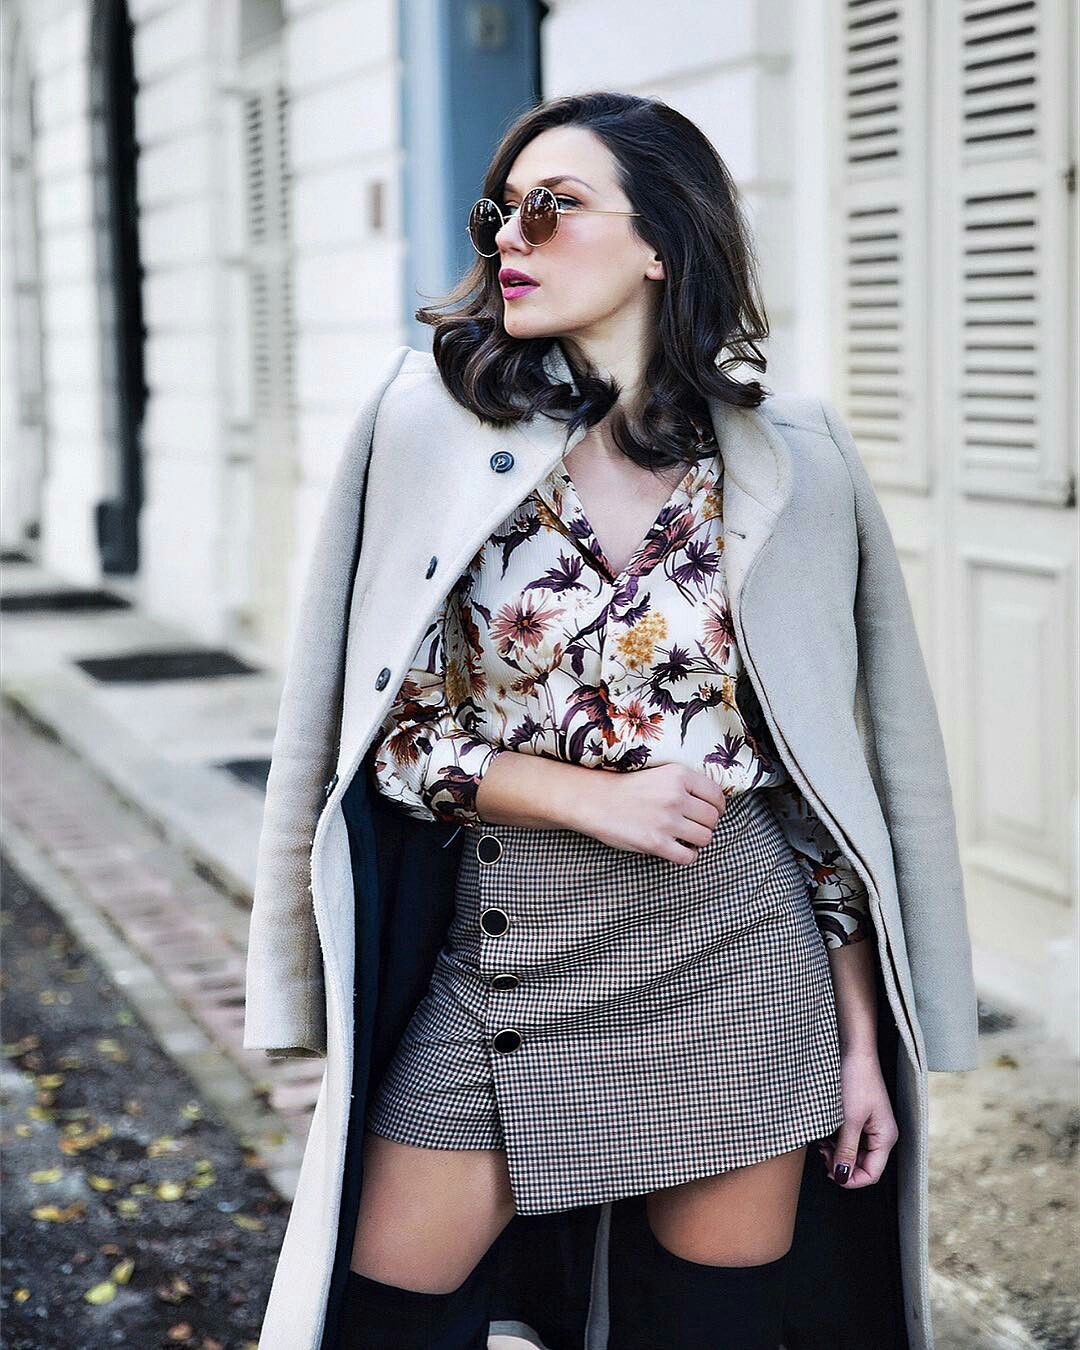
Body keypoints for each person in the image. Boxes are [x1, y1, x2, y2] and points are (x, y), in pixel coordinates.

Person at [243, 91, 979, 1350]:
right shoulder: (428, 428)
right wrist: (582, 795)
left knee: (704, 1330)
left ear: (662, 243)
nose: (509, 237)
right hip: (509, 955)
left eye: (553, 206)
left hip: (742, 958)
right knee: (381, 1313)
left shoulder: (794, 458)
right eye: (500, 210)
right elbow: (387, 739)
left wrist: (864, 1043)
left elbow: (825, 793)